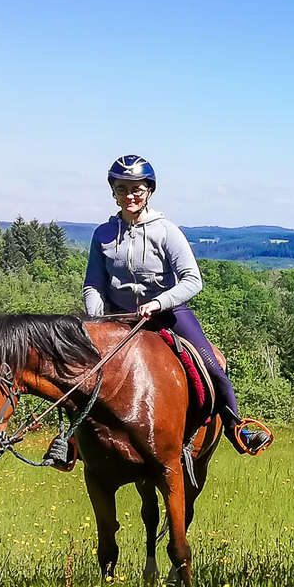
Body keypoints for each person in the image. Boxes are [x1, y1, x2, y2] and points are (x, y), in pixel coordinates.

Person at [65, 154, 270, 460]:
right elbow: (93, 284)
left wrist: (158, 302)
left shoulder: (166, 231)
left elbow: (192, 280)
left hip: (167, 315)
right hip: (116, 319)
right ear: (114, 192)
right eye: (123, 189)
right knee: (71, 369)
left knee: (212, 368)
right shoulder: (102, 235)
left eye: (137, 188)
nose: (130, 195)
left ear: (149, 191)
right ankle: (69, 441)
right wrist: (96, 317)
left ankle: (235, 426)